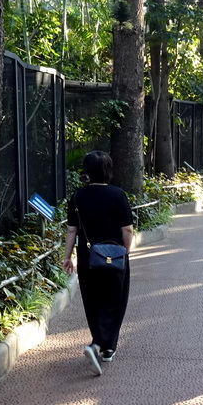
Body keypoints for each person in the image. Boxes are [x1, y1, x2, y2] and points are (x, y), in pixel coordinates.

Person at [63, 151, 134, 376]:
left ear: (87, 171)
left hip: (87, 257)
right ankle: (98, 345)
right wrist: (126, 251)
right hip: (114, 256)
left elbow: (72, 230)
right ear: (108, 170)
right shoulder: (118, 195)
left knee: (93, 302)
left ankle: (108, 348)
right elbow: (127, 229)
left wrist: (67, 257)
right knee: (115, 302)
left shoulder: (77, 197)